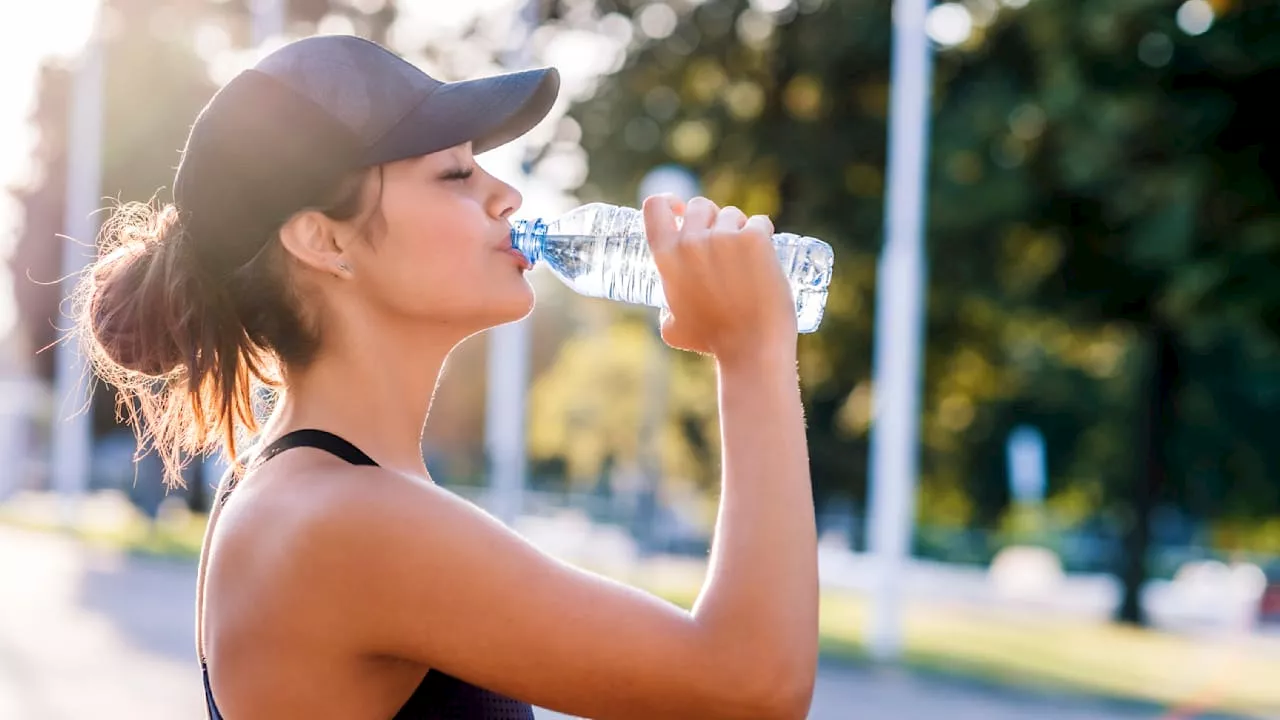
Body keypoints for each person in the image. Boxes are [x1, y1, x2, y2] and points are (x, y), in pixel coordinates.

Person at [77, 33, 817, 719]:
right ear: (323, 238)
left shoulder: (314, 492)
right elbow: (749, 688)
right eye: (457, 173)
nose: (508, 196)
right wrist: (751, 356)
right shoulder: (341, 522)